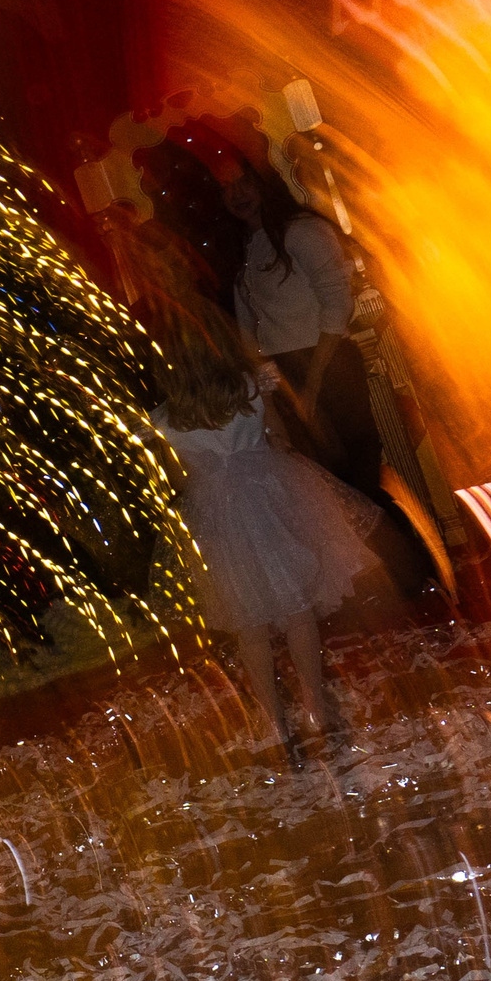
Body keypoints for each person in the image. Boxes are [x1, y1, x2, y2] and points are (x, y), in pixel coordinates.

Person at [149, 303, 381, 761]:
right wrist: (267, 451)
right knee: (298, 611)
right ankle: (314, 707)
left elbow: (176, 477)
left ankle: (273, 720)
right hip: (272, 497)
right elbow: (279, 436)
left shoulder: (164, 419)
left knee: (248, 624)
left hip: (217, 517)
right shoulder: (252, 385)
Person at [221, 160, 388, 503]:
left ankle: (391, 549)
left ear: (264, 183)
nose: (236, 194)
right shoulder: (246, 245)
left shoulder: (303, 231)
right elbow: (248, 327)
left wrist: (312, 382)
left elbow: (336, 304)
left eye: (244, 182)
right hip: (285, 370)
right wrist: (269, 383)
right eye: (227, 187)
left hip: (328, 362)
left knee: (357, 478)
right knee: (322, 483)